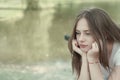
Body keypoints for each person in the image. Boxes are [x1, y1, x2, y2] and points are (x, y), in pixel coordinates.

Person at [68, 7, 120, 80]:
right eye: (78, 33)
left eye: (88, 33)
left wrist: (93, 60)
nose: (80, 39)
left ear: (105, 34)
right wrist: (84, 56)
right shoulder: (85, 48)